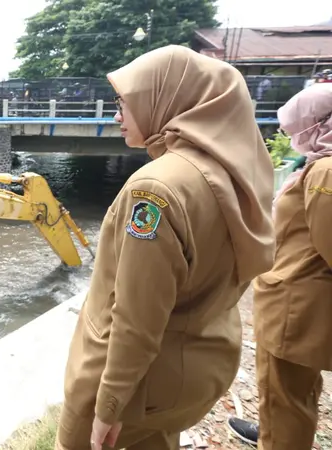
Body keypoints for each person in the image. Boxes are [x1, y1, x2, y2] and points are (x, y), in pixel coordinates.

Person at [56, 45, 275, 450]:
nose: (116, 115)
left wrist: (109, 405)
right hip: (195, 362)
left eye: (124, 102)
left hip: (137, 384)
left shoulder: (154, 190)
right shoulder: (228, 172)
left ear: (166, 100)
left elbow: (137, 316)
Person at [226, 83, 332, 449]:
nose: (290, 135)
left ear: (318, 123)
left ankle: (282, 439)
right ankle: (276, 433)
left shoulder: (325, 172)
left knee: (284, 391)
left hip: (297, 304)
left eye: (296, 126)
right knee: (288, 390)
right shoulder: (318, 164)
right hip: (296, 300)